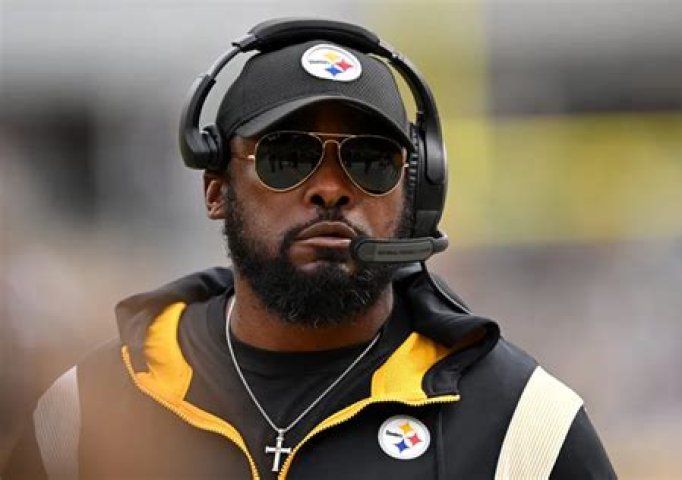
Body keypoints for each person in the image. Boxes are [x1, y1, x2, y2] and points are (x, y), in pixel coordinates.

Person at [3, 18, 616, 479]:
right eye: (288, 157)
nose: (329, 189)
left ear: (414, 193)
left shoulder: (523, 426)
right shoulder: (88, 412)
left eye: (370, 161)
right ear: (216, 190)